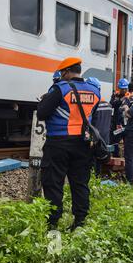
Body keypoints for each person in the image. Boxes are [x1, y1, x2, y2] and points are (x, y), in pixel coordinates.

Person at [37, 57, 101, 231]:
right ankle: (79, 223)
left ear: (65, 72)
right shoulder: (95, 90)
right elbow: (90, 115)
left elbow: (42, 113)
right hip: (83, 143)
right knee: (80, 183)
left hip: (58, 143)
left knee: (53, 182)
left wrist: (44, 100)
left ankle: (53, 224)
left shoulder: (60, 89)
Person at [88, 77, 113, 176]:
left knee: (91, 161)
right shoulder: (108, 105)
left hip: (94, 137)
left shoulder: (92, 105)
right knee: (99, 160)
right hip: (104, 138)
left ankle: (92, 180)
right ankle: (97, 179)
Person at [110, 78, 130, 157]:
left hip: (126, 122)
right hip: (116, 122)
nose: (124, 90)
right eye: (122, 89)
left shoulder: (129, 96)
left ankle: (126, 158)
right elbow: (111, 104)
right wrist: (120, 100)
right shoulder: (115, 95)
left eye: (125, 89)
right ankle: (115, 156)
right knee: (114, 140)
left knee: (127, 141)